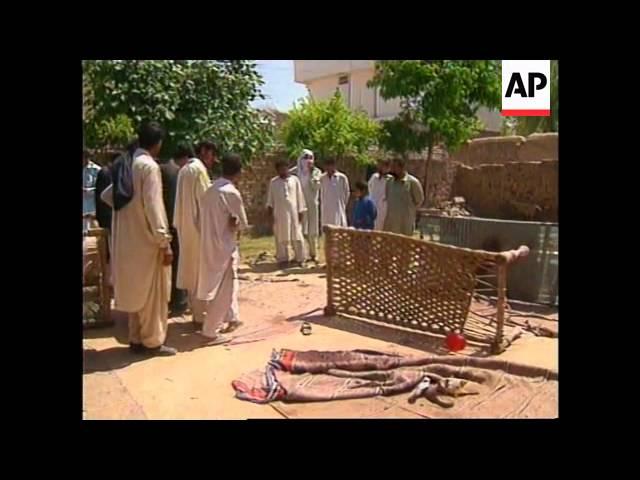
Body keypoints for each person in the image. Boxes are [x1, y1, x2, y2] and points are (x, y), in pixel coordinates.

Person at [100, 122, 176, 356]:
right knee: (153, 295)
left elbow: (106, 196)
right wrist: (164, 242)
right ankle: (152, 341)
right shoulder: (148, 167)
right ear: (158, 143)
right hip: (147, 242)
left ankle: (135, 339)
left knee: (136, 292)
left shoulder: (125, 162)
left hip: (125, 241)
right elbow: (154, 207)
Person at [196, 153, 248, 344]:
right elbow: (241, 223)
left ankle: (229, 318)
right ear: (239, 172)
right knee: (224, 290)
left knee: (216, 286)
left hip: (208, 243)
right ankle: (210, 330)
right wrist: (234, 224)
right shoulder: (231, 192)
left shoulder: (210, 190)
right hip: (224, 246)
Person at [173, 140, 217, 327]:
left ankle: (197, 313)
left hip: (185, 229)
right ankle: (202, 317)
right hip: (199, 231)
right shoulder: (198, 170)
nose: (213, 160)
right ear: (204, 152)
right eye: (212, 154)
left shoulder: (184, 170)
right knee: (202, 272)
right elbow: (205, 202)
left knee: (192, 272)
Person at [160, 142, 193, 317]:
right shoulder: (176, 171)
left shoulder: (164, 170)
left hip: (165, 222)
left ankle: (174, 300)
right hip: (176, 223)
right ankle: (179, 301)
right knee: (178, 263)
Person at [266, 159, 307, 268]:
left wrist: (301, 211)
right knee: (281, 237)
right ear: (277, 170)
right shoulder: (273, 182)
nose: (282, 170)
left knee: (297, 236)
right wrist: (270, 215)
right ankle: (283, 259)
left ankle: (300, 258)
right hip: (279, 214)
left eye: (284, 168)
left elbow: (300, 197)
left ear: (288, 168)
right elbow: (270, 200)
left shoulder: (295, 180)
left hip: (293, 213)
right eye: (280, 169)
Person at [290, 149, 322, 262]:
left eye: (310, 158)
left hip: (312, 204)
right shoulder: (294, 172)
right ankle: (299, 255)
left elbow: (316, 187)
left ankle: (313, 254)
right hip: (298, 204)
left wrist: (312, 174)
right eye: (305, 158)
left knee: (312, 230)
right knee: (298, 229)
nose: (308, 161)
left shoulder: (316, 172)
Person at [383, 158, 424, 236]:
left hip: (405, 225)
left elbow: (419, 201)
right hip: (391, 225)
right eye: (391, 167)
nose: (392, 170)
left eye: (394, 167)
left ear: (402, 168)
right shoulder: (389, 182)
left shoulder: (413, 183)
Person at [320, 158, 350, 228]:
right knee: (326, 227)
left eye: (329, 166)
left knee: (338, 226)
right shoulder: (322, 178)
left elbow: (346, 192)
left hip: (338, 206)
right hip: (326, 207)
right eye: (326, 166)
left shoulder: (342, 178)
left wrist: (342, 204)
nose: (328, 168)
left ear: (334, 166)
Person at [368, 158, 391, 230]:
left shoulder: (390, 180)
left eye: (384, 166)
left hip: (383, 207)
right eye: (380, 166)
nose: (381, 168)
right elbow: (369, 187)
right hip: (372, 205)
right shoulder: (374, 177)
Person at [83, 150, 101, 232]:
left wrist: (88, 190)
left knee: (93, 232)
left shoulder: (96, 169)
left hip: (92, 206)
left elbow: (100, 187)